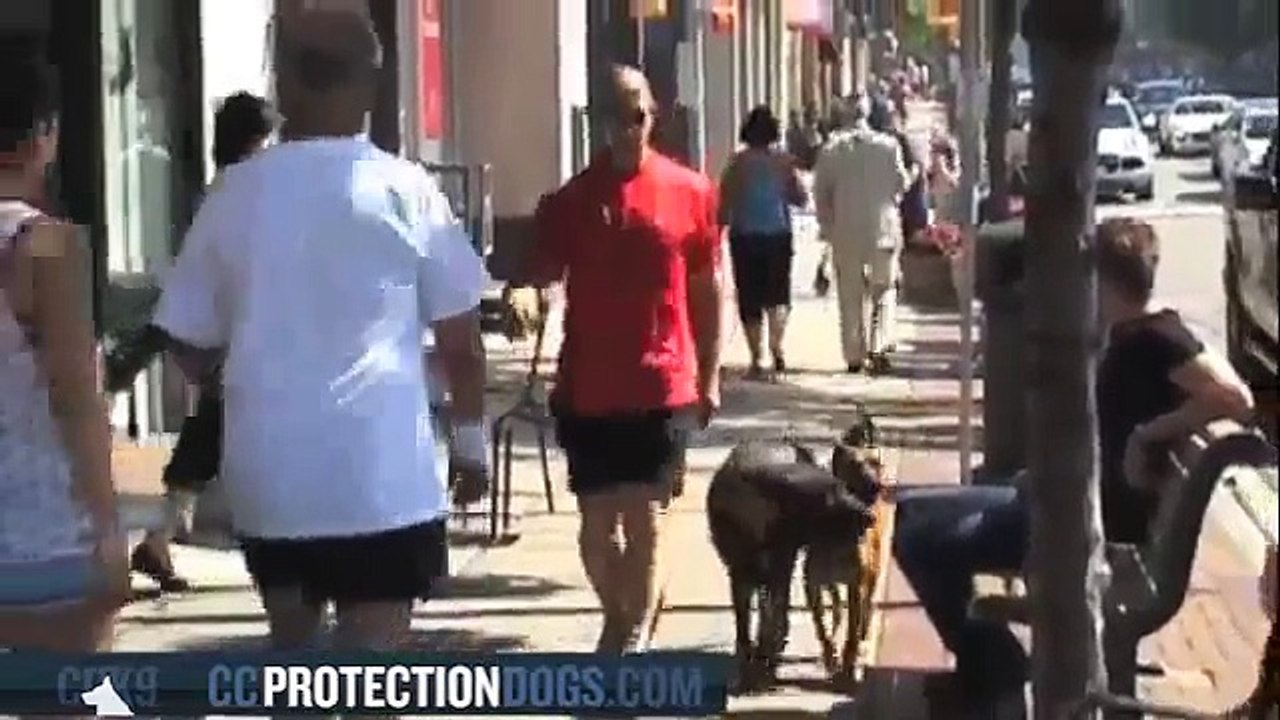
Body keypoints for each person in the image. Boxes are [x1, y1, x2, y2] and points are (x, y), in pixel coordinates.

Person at [153, 10, 490, 651]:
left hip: (273, 479)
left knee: (293, 657)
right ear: (370, 88)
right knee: (376, 668)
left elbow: (187, 339)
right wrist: (470, 447)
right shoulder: (407, 192)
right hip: (382, 482)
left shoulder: (234, 195)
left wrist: (239, 381)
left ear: (282, 86)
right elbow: (460, 342)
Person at [891, 218, 1255, 712]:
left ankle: (994, 667)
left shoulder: (1156, 337)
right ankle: (984, 665)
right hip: (1055, 501)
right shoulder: (1133, 331)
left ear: (1100, 278)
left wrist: (1151, 433)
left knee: (919, 539)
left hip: (1077, 529)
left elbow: (1238, 399)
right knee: (909, 511)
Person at [527, 65, 723, 653]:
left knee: (643, 519)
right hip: (587, 386)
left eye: (636, 116)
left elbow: (707, 288)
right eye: (613, 118)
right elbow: (540, 276)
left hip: (659, 384)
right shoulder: (569, 202)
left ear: (653, 116)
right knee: (594, 531)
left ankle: (630, 634)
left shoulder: (691, 192)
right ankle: (621, 613)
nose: (626, 130)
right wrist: (525, 299)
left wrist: (710, 376)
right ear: (595, 124)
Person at [117, 91, 280, 592]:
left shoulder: (226, 191)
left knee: (207, 436)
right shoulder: (243, 193)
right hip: (238, 340)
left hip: (225, 339)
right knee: (217, 436)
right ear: (256, 140)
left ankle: (160, 539)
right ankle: (164, 538)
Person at [0, 49, 128, 648]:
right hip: (39, 541)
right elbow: (76, 398)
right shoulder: (44, 247)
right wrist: (107, 529)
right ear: (42, 136)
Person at [812, 95, 910, 375]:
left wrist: (826, 228)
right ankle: (878, 345)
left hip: (846, 231)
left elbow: (821, 194)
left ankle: (854, 354)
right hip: (883, 229)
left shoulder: (832, 150)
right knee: (884, 289)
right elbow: (900, 184)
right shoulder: (888, 147)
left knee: (850, 295)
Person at [719, 106, 807, 379]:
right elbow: (800, 197)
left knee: (750, 297)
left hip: (744, 235)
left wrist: (719, 224)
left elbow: (725, 201)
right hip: (778, 234)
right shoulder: (784, 162)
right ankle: (777, 348)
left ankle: (757, 358)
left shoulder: (737, 163)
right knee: (778, 294)